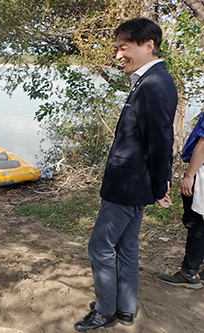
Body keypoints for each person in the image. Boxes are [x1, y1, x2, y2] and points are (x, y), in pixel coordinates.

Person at [74, 18, 177, 331]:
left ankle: (105, 310)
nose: (118, 55)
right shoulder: (151, 80)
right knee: (127, 247)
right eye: (117, 48)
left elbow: (161, 141)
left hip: (129, 186)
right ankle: (126, 309)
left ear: (148, 45)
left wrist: (160, 187)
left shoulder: (155, 84)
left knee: (100, 246)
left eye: (124, 47)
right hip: (135, 184)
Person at [158, 113, 204, 289]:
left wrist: (190, 175)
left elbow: (202, 145)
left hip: (201, 171)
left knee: (196, 222)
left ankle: (189, 273)